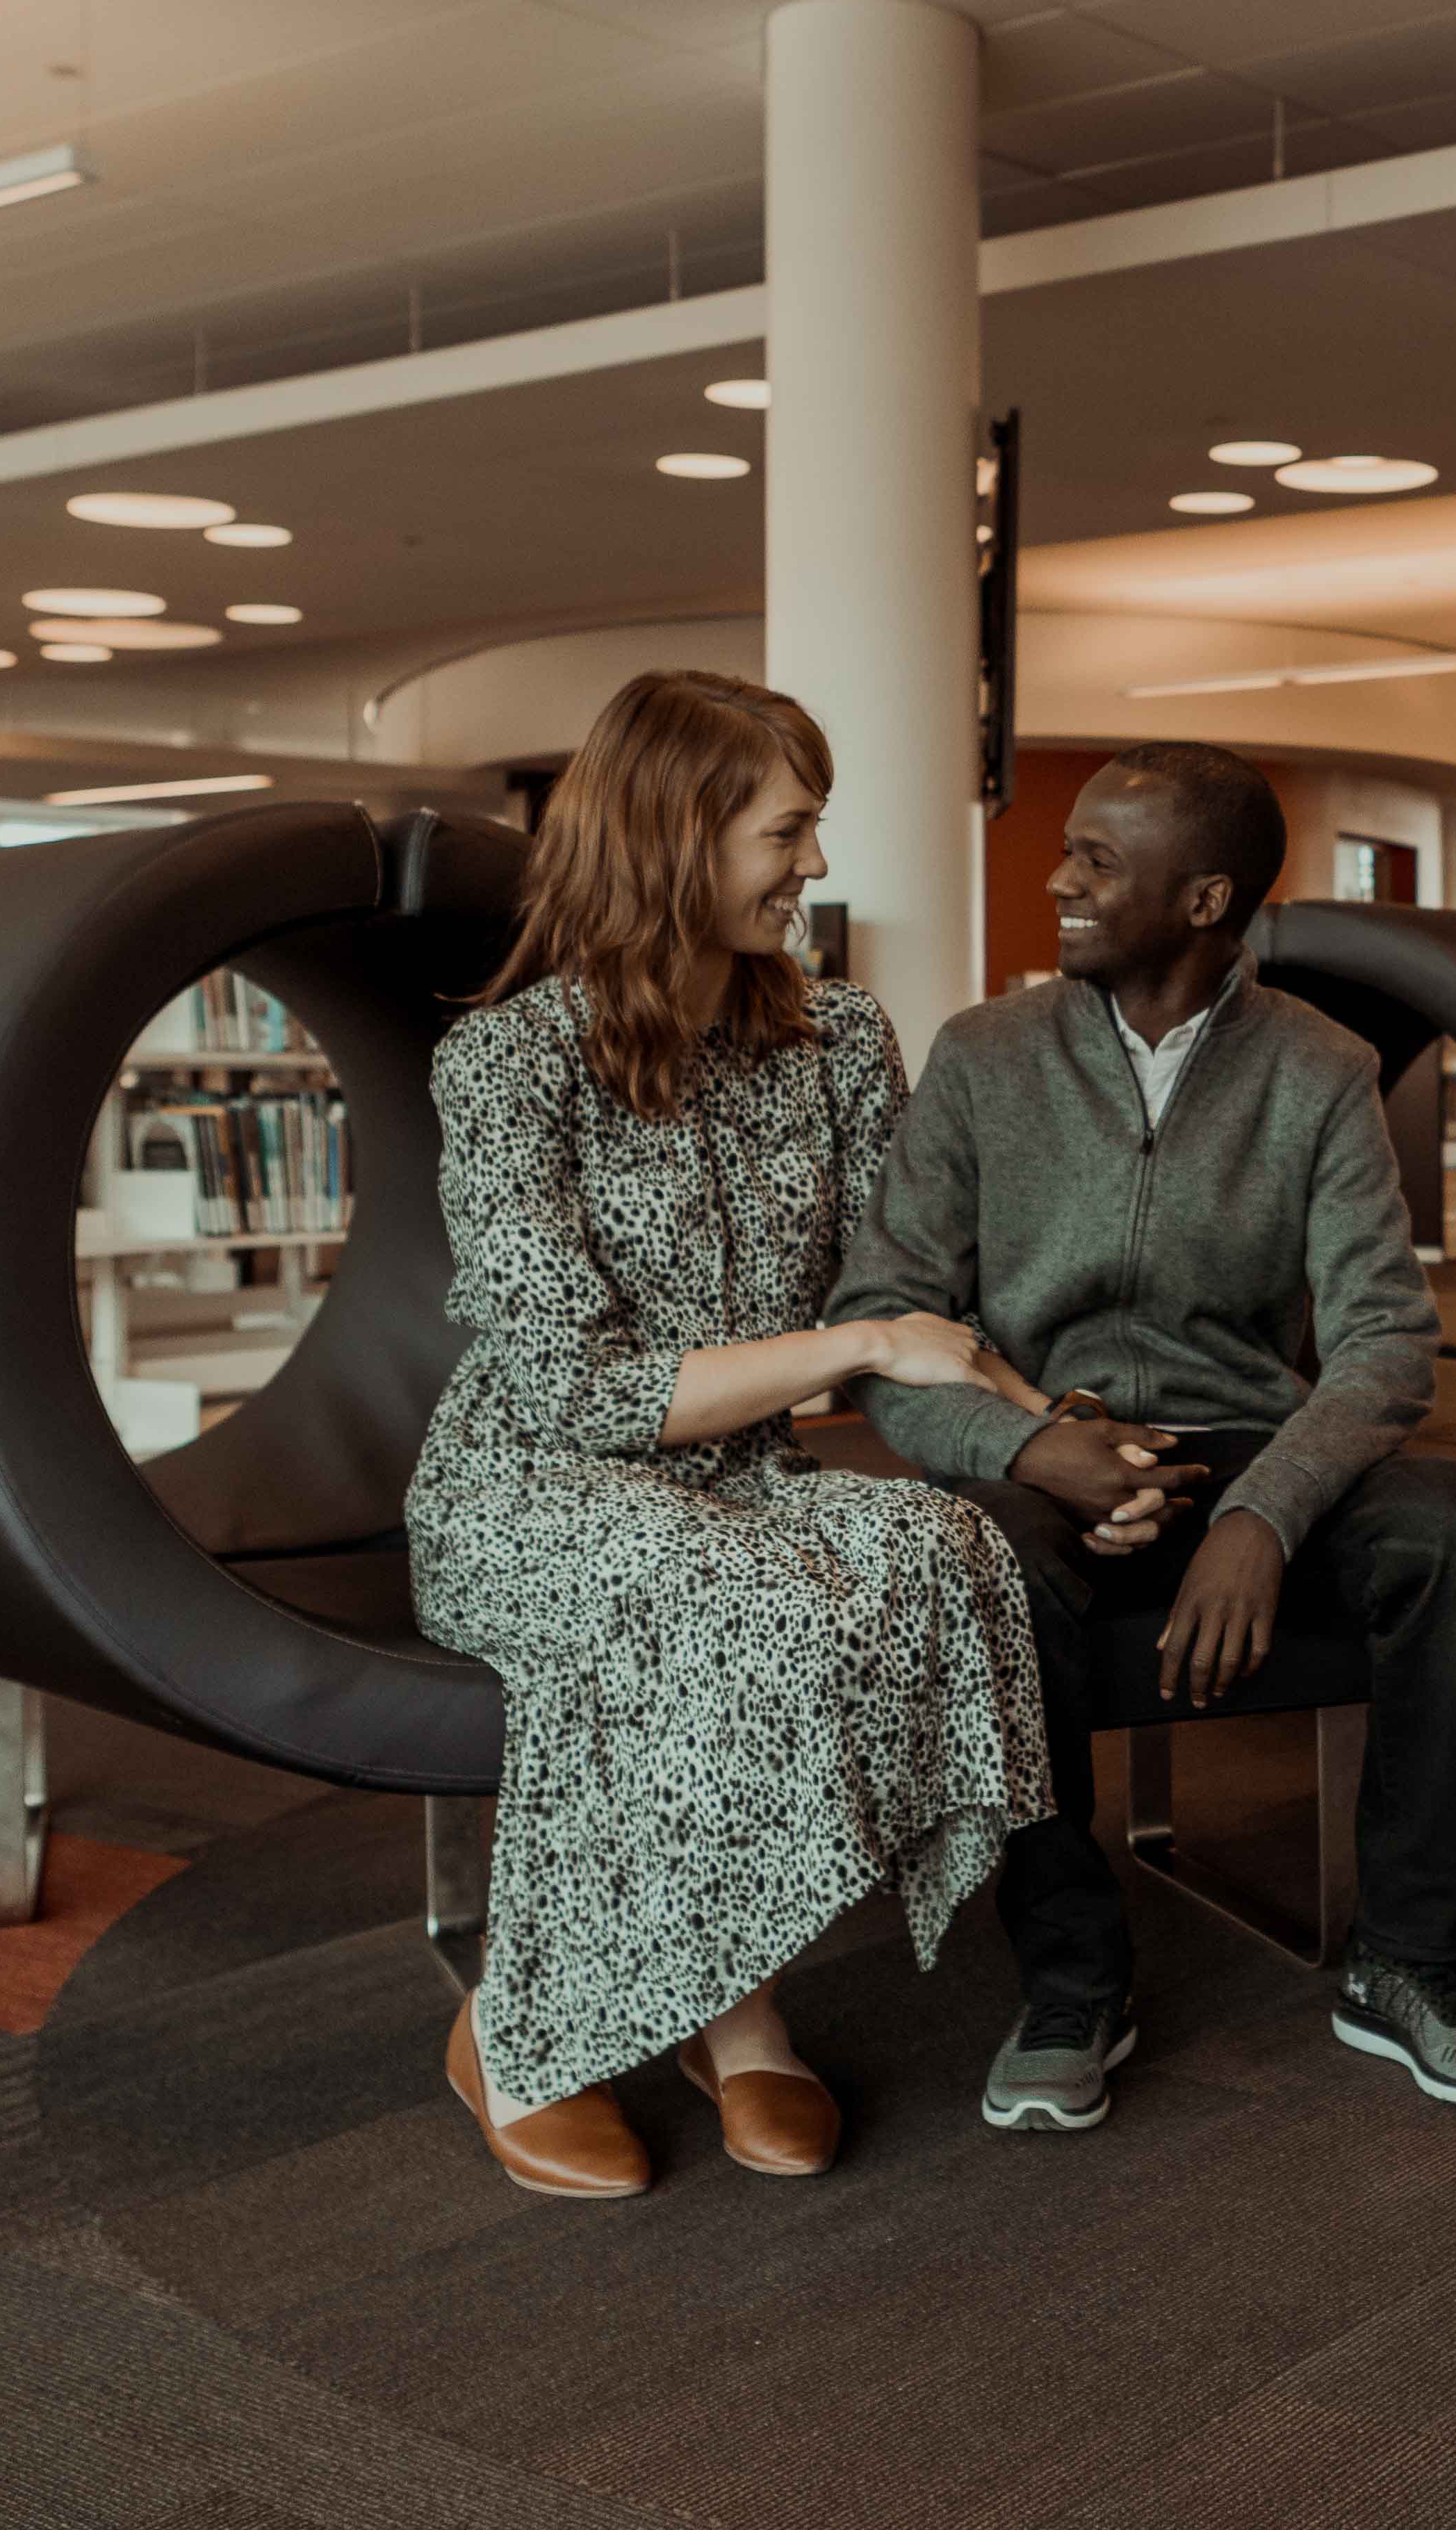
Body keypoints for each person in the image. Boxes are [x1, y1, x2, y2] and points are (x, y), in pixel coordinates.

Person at [406, 669, 1063, 2201]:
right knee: (720, 1591)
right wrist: (851, 1343)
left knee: (931, 1544)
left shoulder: (837, 1039)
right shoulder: (507, 1065)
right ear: (673, 836)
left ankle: (713, 1994)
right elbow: (574, 1388)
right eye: (791, 827)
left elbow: (911, 1285)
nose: (815, 865)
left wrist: (1043, 1405)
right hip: (532, 1484)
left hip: (734, 1471)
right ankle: (540, 2027)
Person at [831, 742, 1456, 2130]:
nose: (1059, 874)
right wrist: (1027, 1448)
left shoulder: (1321, 1069)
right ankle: (1072, 1978)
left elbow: (1387, 1342)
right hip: (1044, 1446)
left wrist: (1259, 1514)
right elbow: (880, 1317)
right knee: (987, 1563)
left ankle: (1407, 1959)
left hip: (1245, 1450)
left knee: (1455, 1536)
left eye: (1099, 855)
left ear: (1208, 895)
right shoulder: (983, 1057)